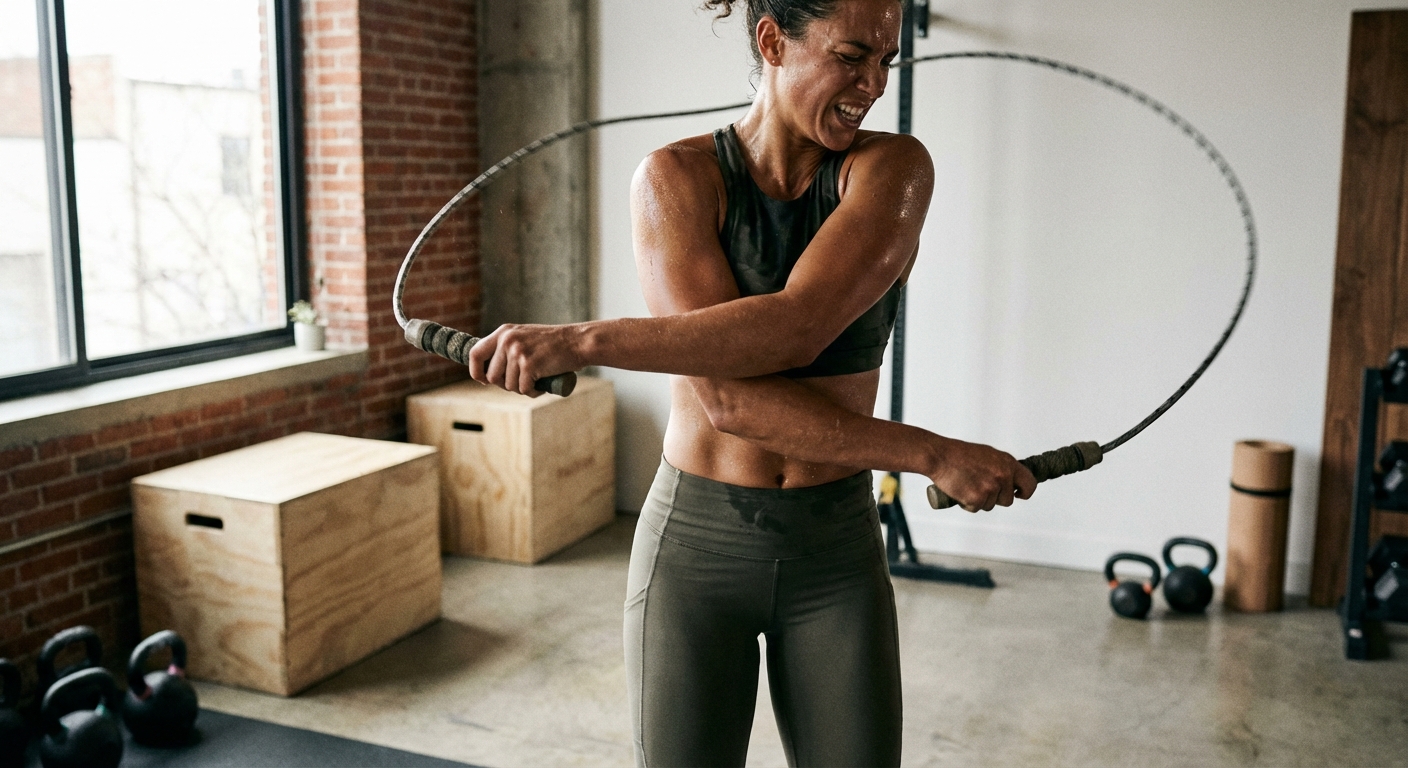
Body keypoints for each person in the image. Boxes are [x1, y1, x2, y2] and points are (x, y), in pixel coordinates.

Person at [467, 1, 1036, 764]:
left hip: (834, 549)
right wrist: (931, 454)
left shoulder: (893, 169)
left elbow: (798, 324)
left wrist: (578, 341)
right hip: (696, 550)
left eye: (885, 62)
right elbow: (729, 401)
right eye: (851, 55)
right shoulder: (675, 179)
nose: (872, 83)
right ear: (773, 40)